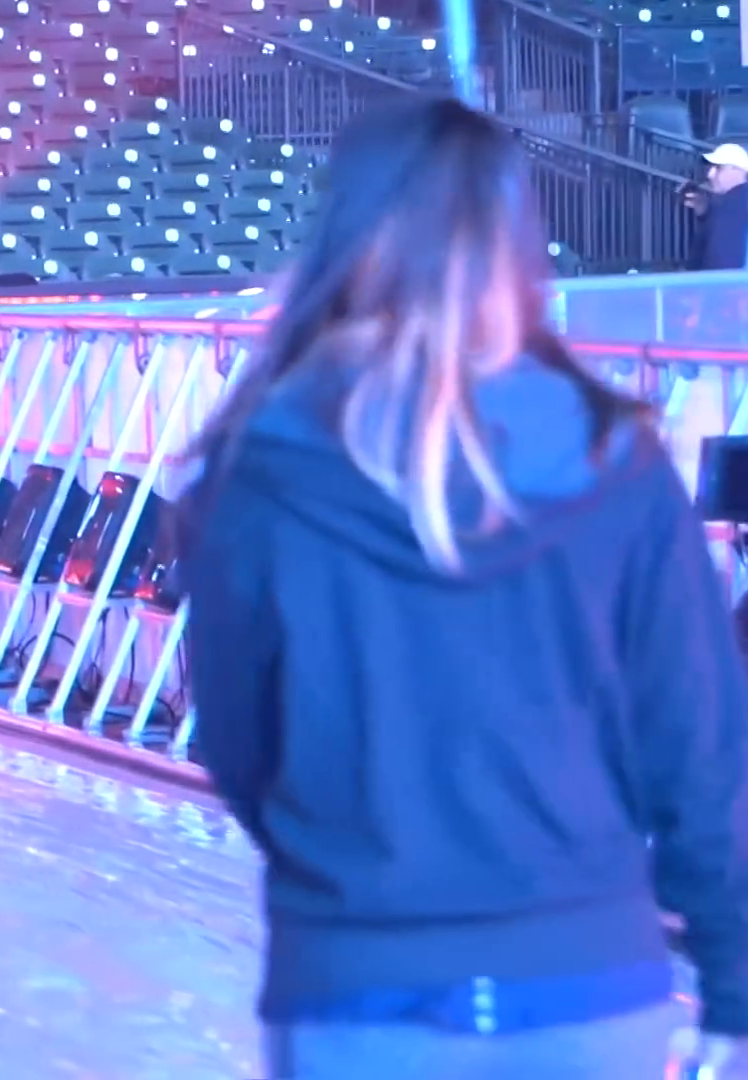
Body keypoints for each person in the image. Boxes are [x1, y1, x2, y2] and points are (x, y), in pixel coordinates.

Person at [178, 97, 748, 1079]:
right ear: (519, 248)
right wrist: (735, 986)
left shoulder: (253, 466)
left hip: (356, 983)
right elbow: (698, 748)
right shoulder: (618, 460)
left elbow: (238, 742)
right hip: (587, 983)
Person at [687, 142, 748, 271]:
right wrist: (705, 214)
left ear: (736, 169)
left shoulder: (730, 207)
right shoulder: (729, 204)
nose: (710, 174)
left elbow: (720, 263)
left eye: (718, 168)